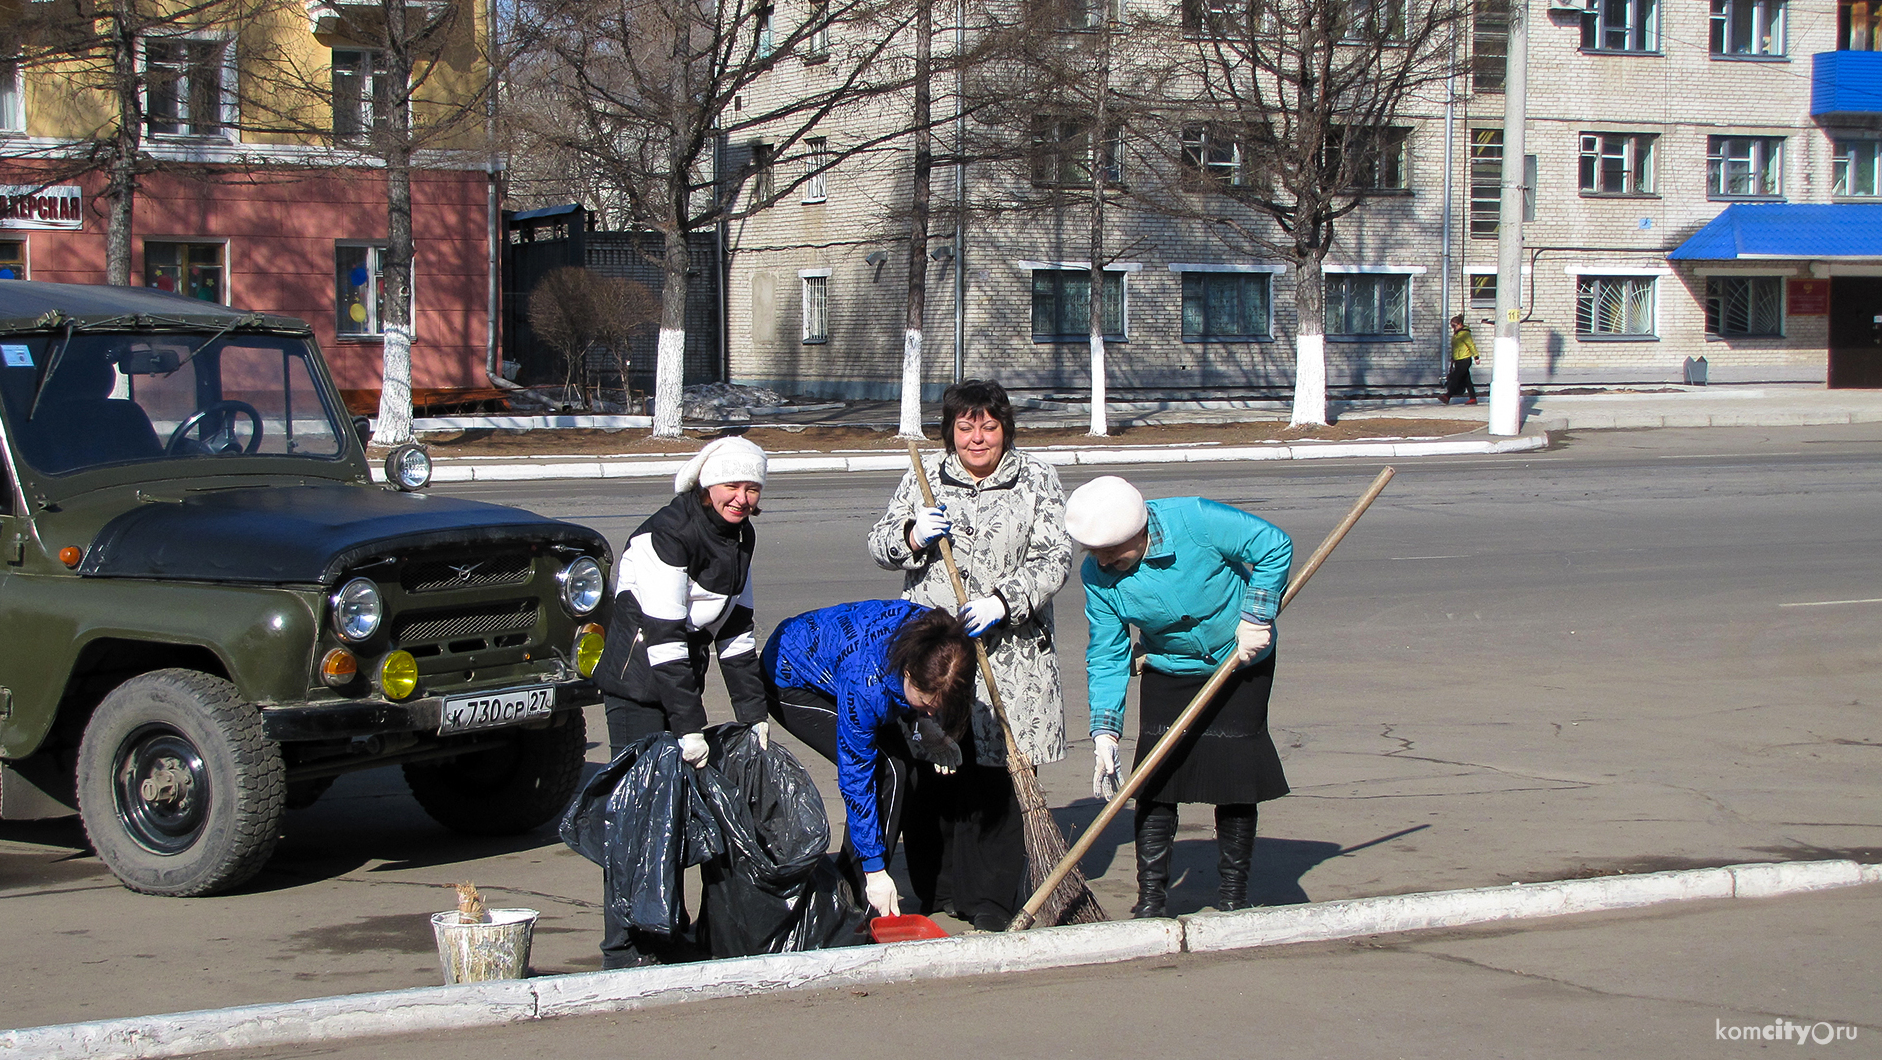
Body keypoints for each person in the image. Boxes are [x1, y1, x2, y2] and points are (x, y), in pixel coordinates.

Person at [866, 379, 1073, 931]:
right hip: (935, 655)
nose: (977, 437)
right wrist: (911, 535)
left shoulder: (1037, 478)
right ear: (950, 431)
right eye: (965, 426)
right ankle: (937, 888)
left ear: (1005, 428)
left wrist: (1006, 601)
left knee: (993, 774)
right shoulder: (925, 477)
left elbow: (1056, 556)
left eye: (988, 425)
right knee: (935, 769)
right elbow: (878, 543)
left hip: (1010, 657)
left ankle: (990, 899)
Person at [1064, 475, 1293, 918]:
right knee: (1155, 781)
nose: (1106, 563)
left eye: (1114, 551)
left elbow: (1273, 545)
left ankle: (1232, 896)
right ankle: (1150, 900)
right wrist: (1105, 732)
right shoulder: (1097, 576)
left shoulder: (1195, 519)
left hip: (1241, 655)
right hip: (1169, 667)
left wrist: (1256, 616)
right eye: (1097, 553)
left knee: (1234, 778)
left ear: (1142, 529)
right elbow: (1108, 652)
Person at [588, 435, 770, 968]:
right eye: (731, 486)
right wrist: (690, 726)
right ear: (707, 486)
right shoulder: (667, 534)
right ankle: (625, 945)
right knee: (637, 815)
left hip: (676, 679)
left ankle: (669, 927)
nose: (741, 497)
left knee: (672, 815)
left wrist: (753, 715)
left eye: (751, 487)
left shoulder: (741, 536)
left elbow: (736, 630)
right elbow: (665, 637)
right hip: (637, 682)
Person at [763, 600, 976, 919]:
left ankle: (862, 891)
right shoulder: (866, 683)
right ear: (907, 672)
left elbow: (926, 693)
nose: (932, 710)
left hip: (848, 661)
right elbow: (855, 779)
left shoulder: (939, 640)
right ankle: (853, 897)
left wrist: (926, 725)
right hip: (790, 677)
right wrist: (874, 872)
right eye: (925, 703)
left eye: (938, 706)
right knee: (886, 771)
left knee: (906, 773)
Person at [1443, 314, 1480, 406]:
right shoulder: (1457, 334)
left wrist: (1476, 357)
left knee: (1456, 378)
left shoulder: (1465, 334)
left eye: (1454, 326)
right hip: (1458, 360)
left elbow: (1471, 345)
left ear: (1460, 324)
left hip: (1465, 359)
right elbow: (1456, 348)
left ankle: (1447, 396)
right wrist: (1453, 358)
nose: (1453, 328)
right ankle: (1473, 398)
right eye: (1451, 326)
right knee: (1467, 380)